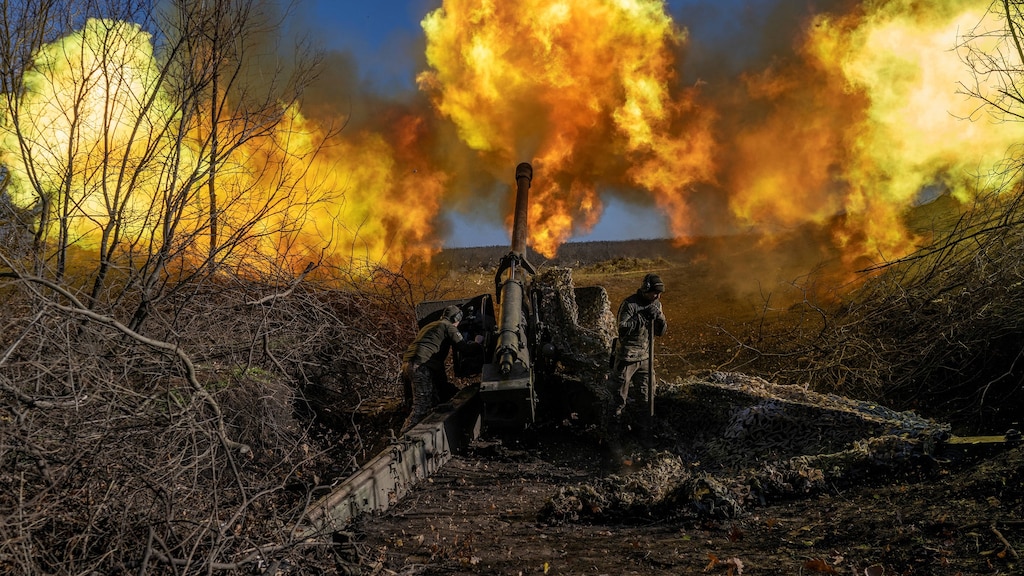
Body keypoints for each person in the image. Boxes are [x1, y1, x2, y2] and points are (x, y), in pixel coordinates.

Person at [400, 305, 465, 433]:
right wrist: (478, 343)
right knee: (421, 406)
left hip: (408, 364)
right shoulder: (448, 326)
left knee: (432, 398)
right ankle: (404, 436)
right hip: (421, 366)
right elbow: (464, 347)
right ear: (456, 318)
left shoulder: (430, 325)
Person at [610, 273, 667, 420]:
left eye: (659, 294)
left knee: (647, 398)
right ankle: (615, 435)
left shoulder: (656, 305)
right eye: (655, 293)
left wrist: (660, 318)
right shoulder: (630, 304)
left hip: (645, 358)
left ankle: (644, 432)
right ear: (645, 289)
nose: (657, 297)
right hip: (627, 359)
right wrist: (641, 317)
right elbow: (622, 329)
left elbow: (661, 332)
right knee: (618, 400)